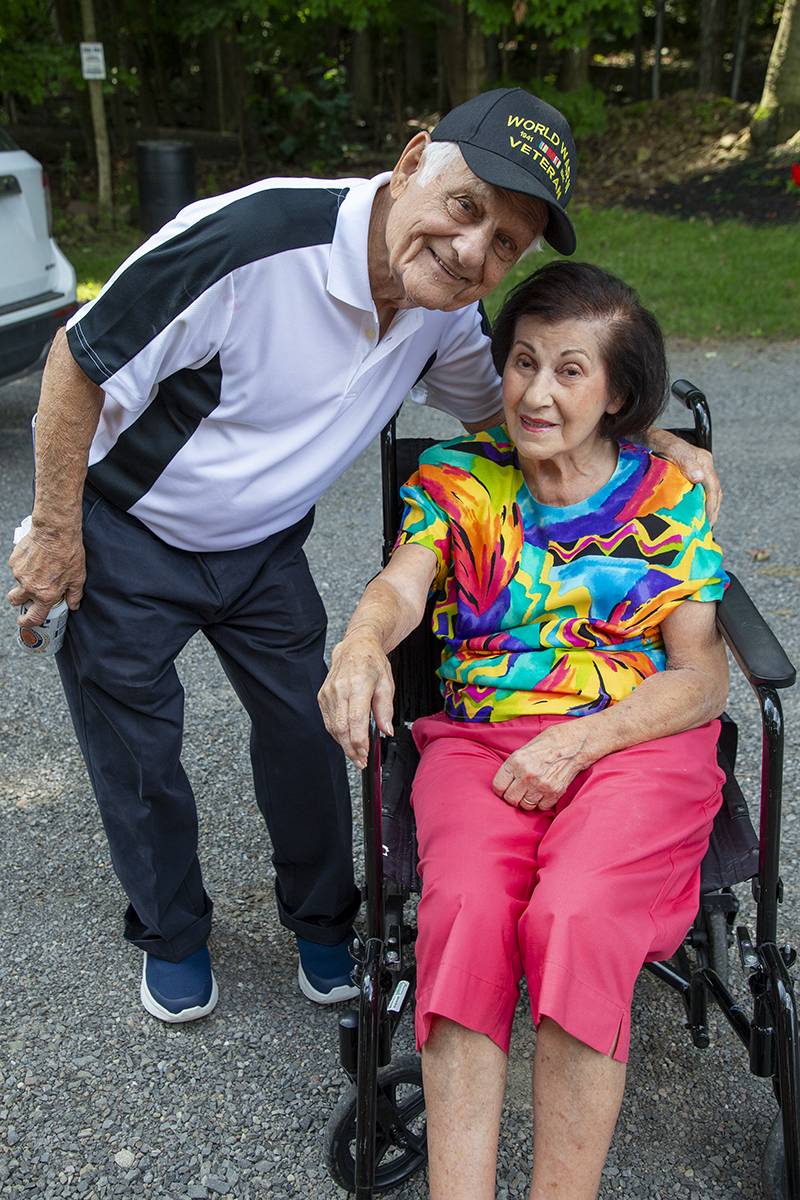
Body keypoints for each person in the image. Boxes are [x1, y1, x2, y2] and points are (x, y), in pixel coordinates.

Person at [7, 87, 718, 1028]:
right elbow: (79, 355)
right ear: (415, 157)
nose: (474, 252)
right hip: (133, 531)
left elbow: (512, 416)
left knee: (313, 732)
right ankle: (173, 936)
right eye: (467, 209)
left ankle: (321, 924)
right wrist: (56, 530)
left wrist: (644, 437)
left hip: (264, 546)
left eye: (505, 244)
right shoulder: (251, 239)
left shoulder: (439, 308)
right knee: (138, 751)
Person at [318, 260, 729, 1200]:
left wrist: (579, 742)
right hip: (480, 742)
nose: (537, 393)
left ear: (619, 393)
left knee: (577, 915)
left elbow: (703, 676)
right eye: (523, 363)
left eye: (571, 371)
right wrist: (361, 644)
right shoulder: (458, 479)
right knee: (461, 913)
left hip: (634, 741)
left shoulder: (665, 498)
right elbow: (401, 586)